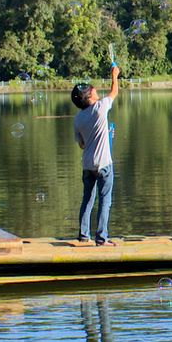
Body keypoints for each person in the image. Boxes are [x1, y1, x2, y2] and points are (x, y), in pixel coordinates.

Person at [71, 66, 120, 246]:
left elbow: (82, 144)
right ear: (90, 96)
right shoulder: (100, 107)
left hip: (87, 164)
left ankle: (84, 235)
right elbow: (114, 92)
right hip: (104, 164)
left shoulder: (77, 119)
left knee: (87, 200)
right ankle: (101, 238)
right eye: (94, 90)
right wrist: (114, 76)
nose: (97, 91)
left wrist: (102, 135)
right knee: (105, 201)